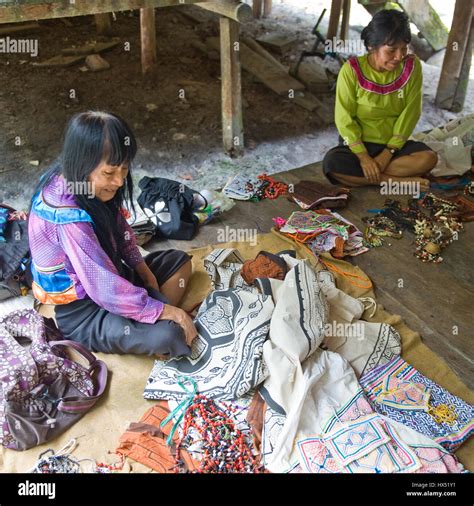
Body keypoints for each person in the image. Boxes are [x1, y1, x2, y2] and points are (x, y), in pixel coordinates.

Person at [28, 111, 197, 357]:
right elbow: (104, 290)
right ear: (82, 164)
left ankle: (152, 319)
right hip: (85, 312)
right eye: (109, 173)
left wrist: (145, 275)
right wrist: (175, 313)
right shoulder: (66, 217)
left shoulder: (88, 185)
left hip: (114, 276)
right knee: (169, 335)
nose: (119, 181)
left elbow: (121, 231)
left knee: (179, 262)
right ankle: (159, 328)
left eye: (124, 168)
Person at [323, 9, 438, 190]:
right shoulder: (351, 70)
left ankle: (368, 177)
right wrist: (364, 158)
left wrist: (388, 152)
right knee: (332, 164)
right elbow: (343, 119)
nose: (399, 56)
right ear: (372, 47)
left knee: (428, 158)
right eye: (391, 50)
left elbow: (411, 112)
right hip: (358, 146)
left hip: (394, 146)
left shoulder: (411, 67)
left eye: (404, 48)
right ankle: (397, 182)